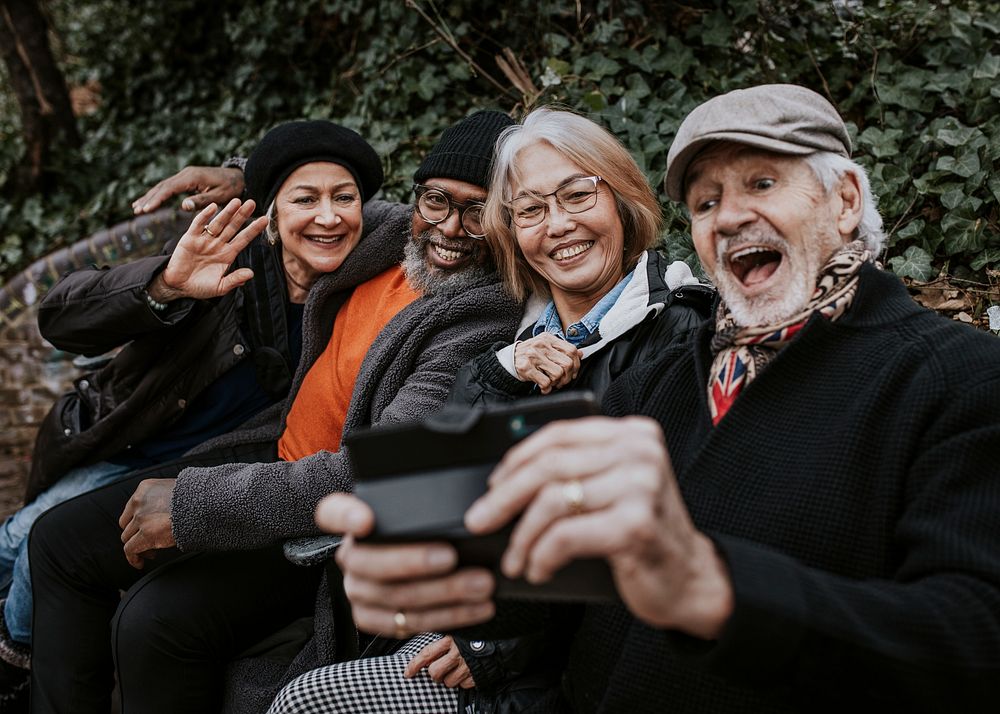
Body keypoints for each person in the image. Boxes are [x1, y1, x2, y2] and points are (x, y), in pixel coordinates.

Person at [315, 84, 1000, 712]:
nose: (730, 217)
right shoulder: (669, 378)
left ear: (846, 199)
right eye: (706, 202)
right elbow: (553, 584)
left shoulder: (958, 377)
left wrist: (716, 590)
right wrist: (438, 556)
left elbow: (970, 638)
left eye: (762, 182)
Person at [26, 110, 522, 714]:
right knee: (57, 541)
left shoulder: (480, 319)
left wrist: (192, 506)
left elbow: (382, 472)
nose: (451, 228)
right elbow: (318, 194)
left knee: (154, 621)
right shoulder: (390, 233)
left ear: (509, 220)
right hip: (266, 448)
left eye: (480, 211)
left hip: (321, 521)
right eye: (438, 201)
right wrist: (249, 178)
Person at [267, 106, 713, 714]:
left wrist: (492, 643)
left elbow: (645, 539)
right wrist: (499, 376)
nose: (557, 226)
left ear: (623, 201)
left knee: (307, 703)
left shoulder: (675, 331)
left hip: (553, 658)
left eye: (577, 195)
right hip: (464, 604)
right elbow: (432, 478)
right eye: (531, 209)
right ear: (510, 232)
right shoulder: (519, 328)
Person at [0, 119, 389, 700]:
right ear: (272, 215)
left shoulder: (363, 295)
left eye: (344, 199)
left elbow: (438, 205)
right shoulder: (220, 262)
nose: (328, 217)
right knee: (20, 543)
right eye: (305, 200)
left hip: (214, 472)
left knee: (40, 548)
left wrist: (241, 169)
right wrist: (164, 287)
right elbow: (61, 318)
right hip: (129, 445)